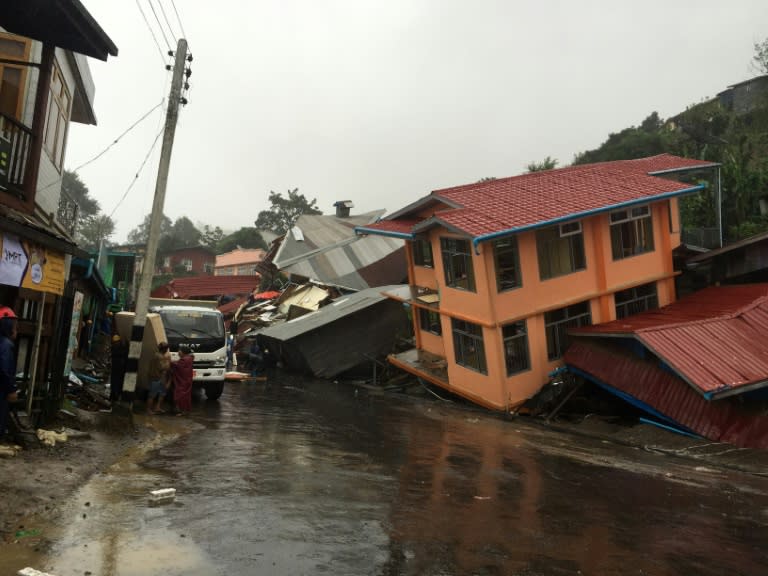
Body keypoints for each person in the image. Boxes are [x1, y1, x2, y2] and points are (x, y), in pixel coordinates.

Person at [0, 306, 18, 441]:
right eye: (15, 326)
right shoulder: (6, 345)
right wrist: (11, 390)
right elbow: (4, 369)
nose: (17, 330)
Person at [147, 342, 171, 414]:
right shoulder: (160, 357)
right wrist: (168, 362)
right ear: (164, 349)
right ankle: (149, 409)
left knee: (160, 394)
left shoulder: (157, 355)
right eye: (166, 348)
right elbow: (163, 367)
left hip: (157, 377)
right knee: (153, 395)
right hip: (157, 378)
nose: (167, 350)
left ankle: (157, 408)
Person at [171, 345, 194, 416]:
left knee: (180, 395)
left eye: (179, 350)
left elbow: (177, 366)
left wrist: (170, 362)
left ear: (183, 352)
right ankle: (185, 410)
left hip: (182, 381)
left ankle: (182, 411)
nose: (178, 352)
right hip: (187, 380)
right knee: (186, 395)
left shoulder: (184, 360)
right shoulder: (189, 358)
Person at [109, 333, 129, 403]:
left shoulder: (114, 348)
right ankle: (115, 396)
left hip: (115, 369)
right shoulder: (118, 349)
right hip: (119, 369)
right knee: (118, 383)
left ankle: (113, 396)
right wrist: (127, 344)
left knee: (114, 382)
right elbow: (125, 352)